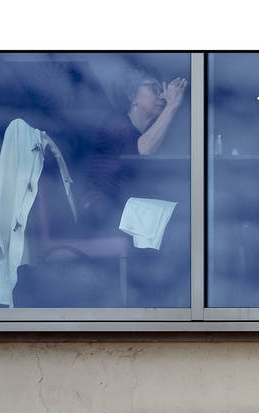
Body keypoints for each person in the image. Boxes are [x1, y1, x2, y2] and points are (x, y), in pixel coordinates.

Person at [77, 67, 190, 306]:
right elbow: (143, 151)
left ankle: (160, 300)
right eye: (154, 89)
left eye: (163, 91)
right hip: (98, 213)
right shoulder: (116, 124)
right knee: (179, 223)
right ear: (132, 96)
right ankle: (158, 303)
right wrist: (172, 107)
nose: (162, 95)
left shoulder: (142, 132)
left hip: (120, 211)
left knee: (182, 219)